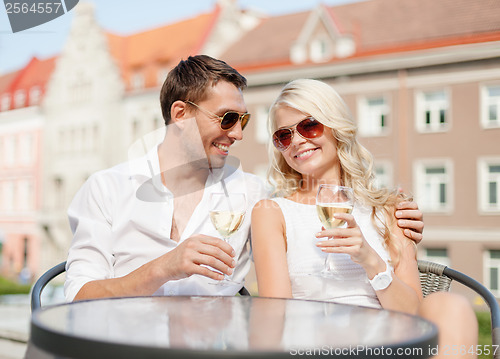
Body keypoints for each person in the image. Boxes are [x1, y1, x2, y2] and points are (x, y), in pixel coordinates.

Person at [64, 55, 424, 302]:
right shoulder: (105, 189)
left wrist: (400, 218)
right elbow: (78, 295)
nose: (237, 134)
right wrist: (164, 268)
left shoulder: (254, 193)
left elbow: (307, 206)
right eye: (226, 118)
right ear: (180, 114)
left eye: (244, 121)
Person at [251, 79, 477, 358]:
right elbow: (276, 318)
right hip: (315, 348)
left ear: (336, 127)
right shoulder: (272, 213)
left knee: (451, 305)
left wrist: (371, 261)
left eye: (309, 126)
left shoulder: (390, 209)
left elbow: (416, 317)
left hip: (387, 347)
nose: (296, 140)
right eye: (283, 136)